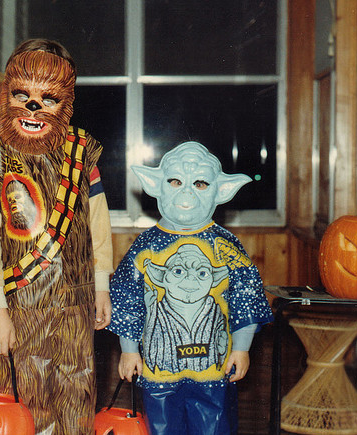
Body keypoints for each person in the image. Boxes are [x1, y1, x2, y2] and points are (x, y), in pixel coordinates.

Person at [0, 39, 113, 435]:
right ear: (5, 94)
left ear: (67, 101)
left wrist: (101, 285)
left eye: (48, 98)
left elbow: (98, 223)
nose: (32, 108)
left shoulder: (81, 155)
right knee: (21, 400)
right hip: (18, 305)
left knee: (77, 395)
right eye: (21, 95)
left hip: (76, 302)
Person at [107, 141, 274, 434]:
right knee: (162, 427)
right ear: (155, 185)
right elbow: (127, 297)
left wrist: (243, 347)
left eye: (200, 183)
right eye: (175, 181)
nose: (186, 192)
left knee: (214, 426)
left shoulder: (225, 245)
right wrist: (129, 350)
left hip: (214, 370)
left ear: (221, 191)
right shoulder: (145, 246)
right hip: (159, 371)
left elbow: (245, 295)